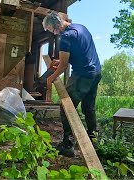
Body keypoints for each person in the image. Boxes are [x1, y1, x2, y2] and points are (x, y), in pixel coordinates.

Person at [42, 11, 102, 157]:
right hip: (96, 73)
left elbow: (63, 67)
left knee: (66, 107)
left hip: (82, 75)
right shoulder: (81, 28)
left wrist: (51, 79)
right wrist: (60, 61)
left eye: (51, 30)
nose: (53, 34)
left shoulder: (65, 37)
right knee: (89, 107)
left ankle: (67, 145)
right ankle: (94, 141)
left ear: (56, 25)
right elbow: (76, 53)